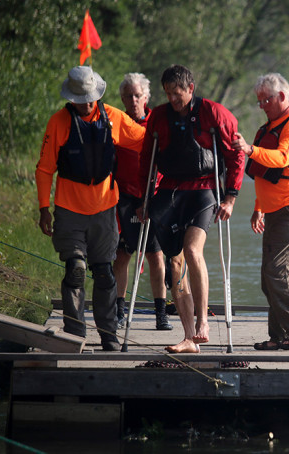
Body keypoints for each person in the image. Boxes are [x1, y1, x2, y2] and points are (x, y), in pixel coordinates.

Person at [36, 66, 146, 351]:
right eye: (79, 98)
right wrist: (43, 208)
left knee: (104, 273)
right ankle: (75, 335)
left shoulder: (113, 118)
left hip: (104, 209)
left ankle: (108, 334)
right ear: (70, 97)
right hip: (69, 210)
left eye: (88, 97)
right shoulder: (58, 122)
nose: (85, 103)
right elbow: (45, 169)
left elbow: (144, 139)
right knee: (75, 269)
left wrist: (170, 133)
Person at [138, 64, 245, 353]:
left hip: (203, 191)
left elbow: (236, 155)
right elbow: (147, 157)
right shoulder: (159, 117)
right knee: (174, 262)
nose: (173, 99)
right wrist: (145, 198)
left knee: (193, 250)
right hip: (170, 192)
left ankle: (203, 323)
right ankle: (188, 338)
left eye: (178, 93)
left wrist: (231, 197)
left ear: (191, 89)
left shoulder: (214, 113)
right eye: (168, 94)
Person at [231, 73, 289, 351]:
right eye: (259, 101)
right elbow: (265, 175)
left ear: (281, 96)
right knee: (269, 277)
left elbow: (282, 158)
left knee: (279, 271)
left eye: (265, 100)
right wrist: (259, 208)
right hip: (273, 211)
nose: (262, 105)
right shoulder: (268, 128)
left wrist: (249, 149)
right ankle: (279, 336)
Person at [113, 72, 172, 331]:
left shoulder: (157, 121)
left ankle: (161, 313)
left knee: (156, 255)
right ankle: (118, 310)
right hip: (125, 196)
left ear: (146, 97)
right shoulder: (117, 121)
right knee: (123, 254)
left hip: (153, 195)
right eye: (129, 96)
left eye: (138, 95)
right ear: (123, 99)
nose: (134, 100)